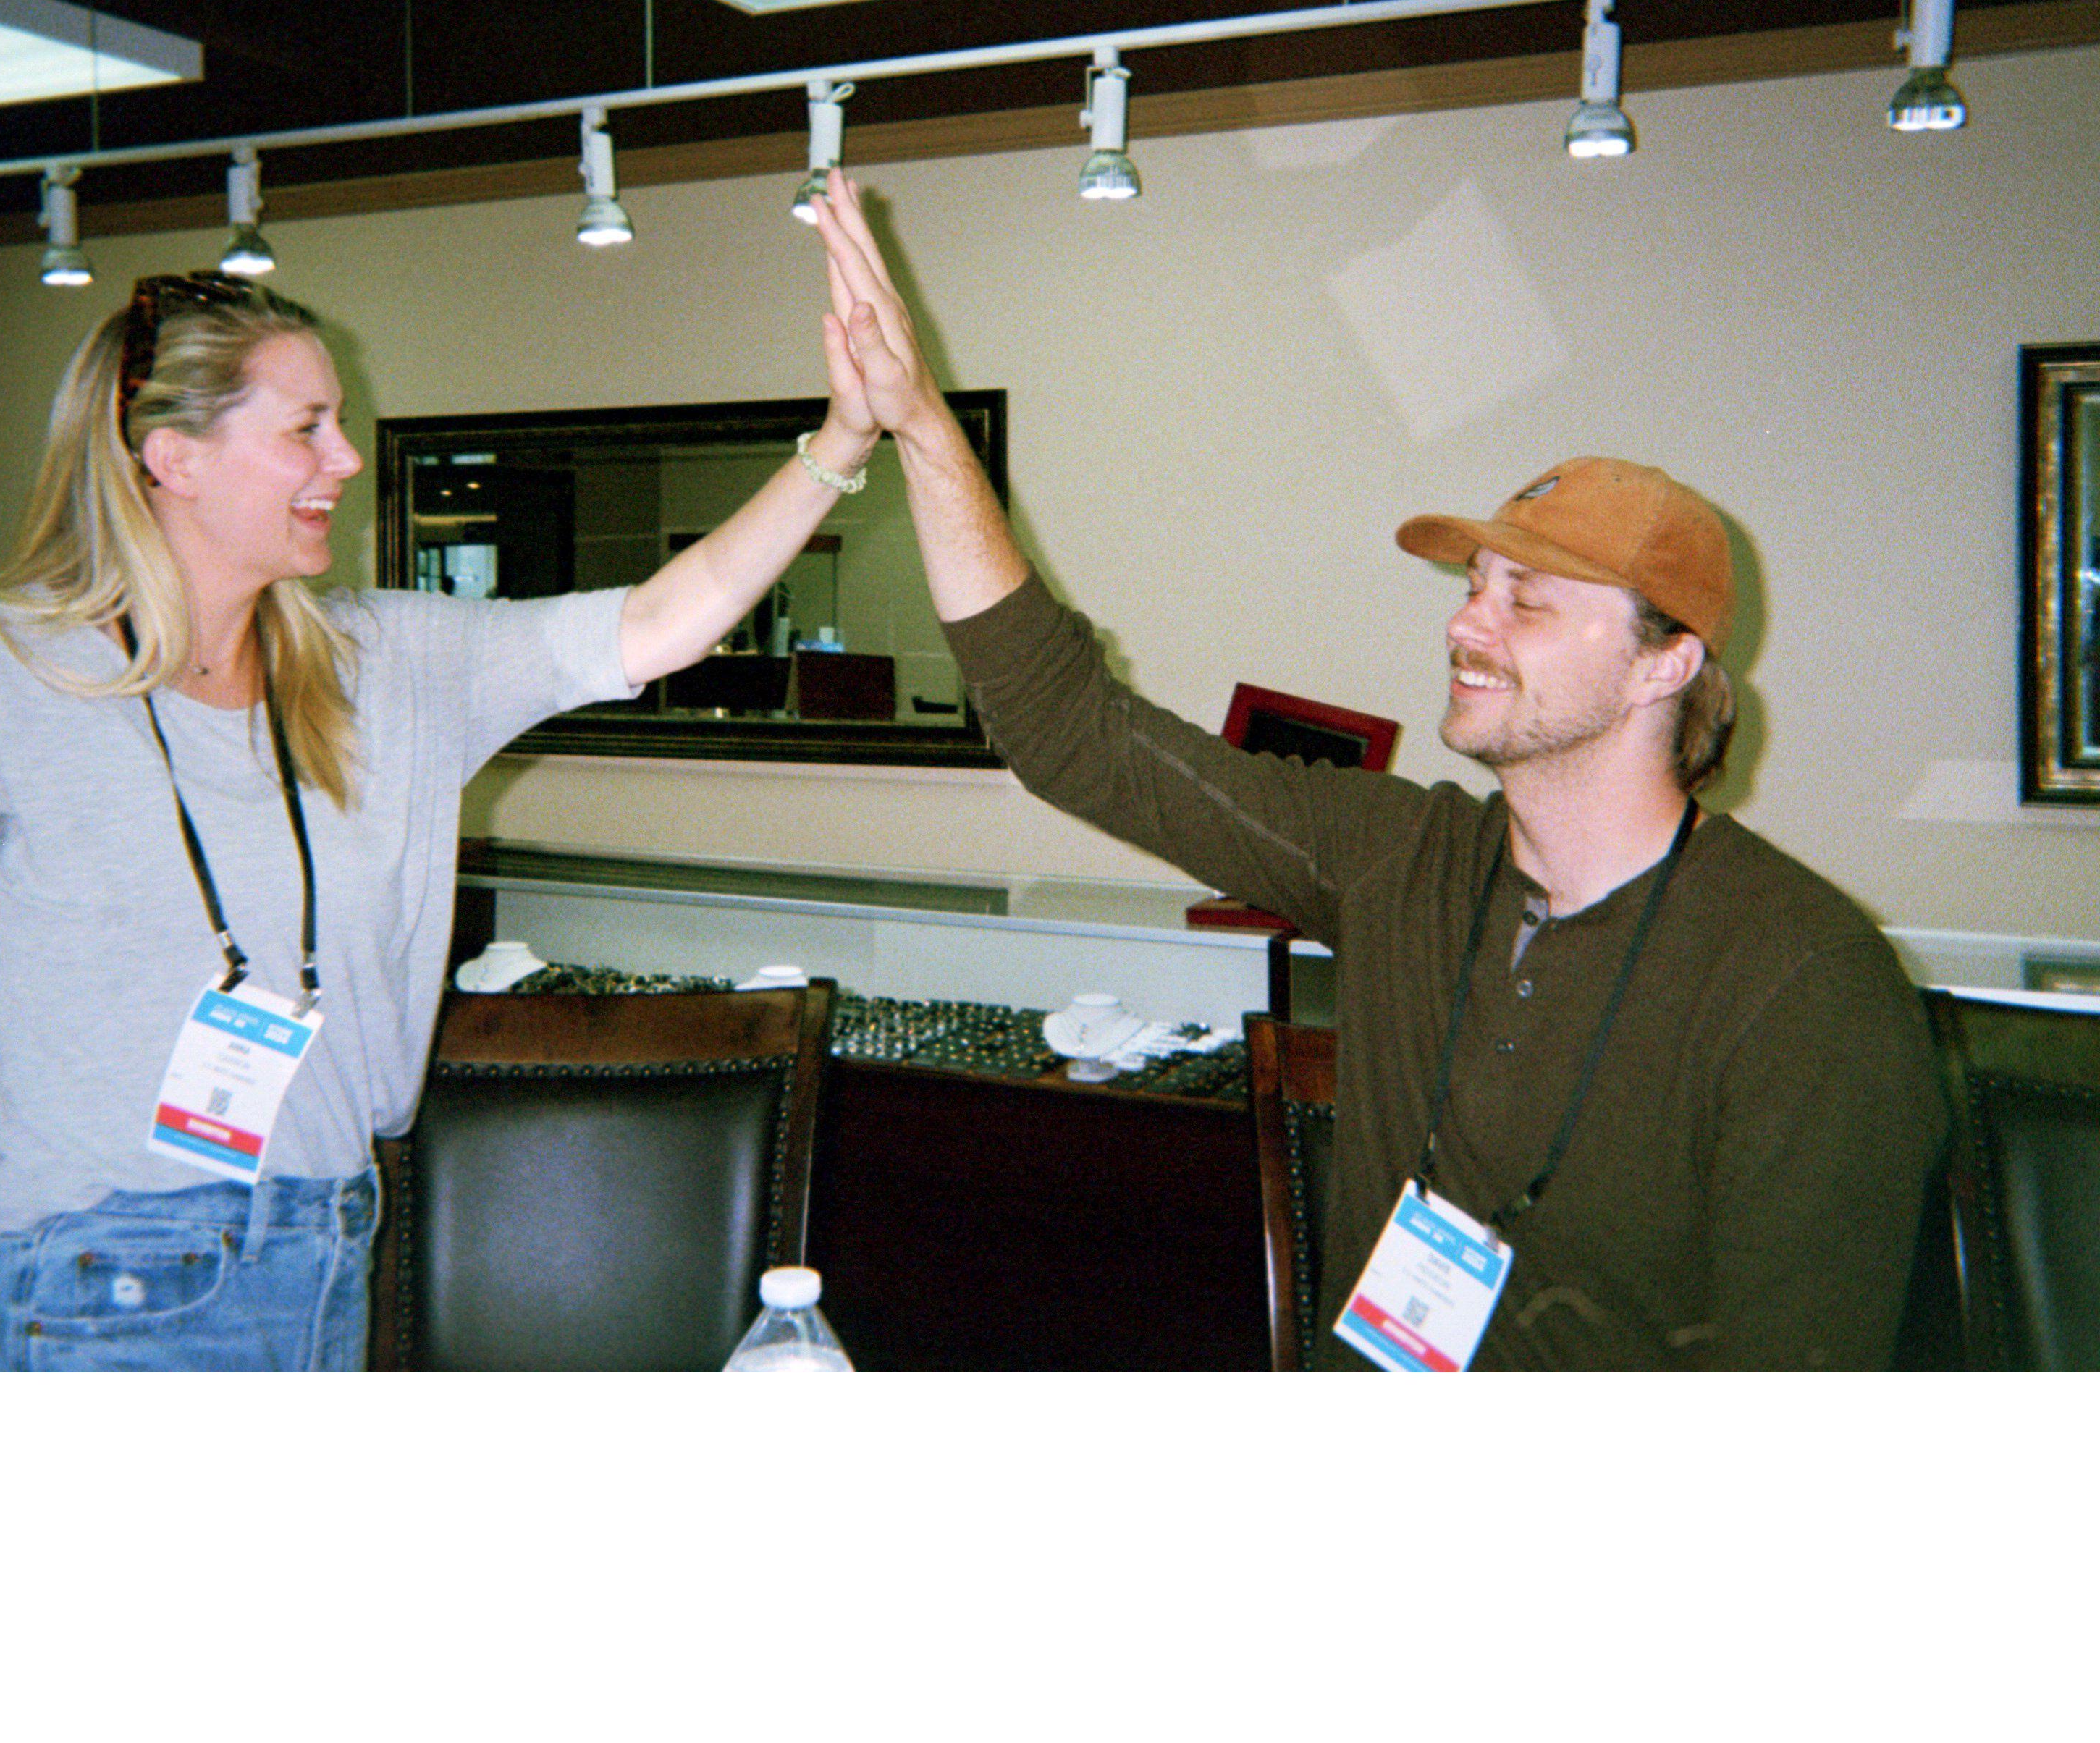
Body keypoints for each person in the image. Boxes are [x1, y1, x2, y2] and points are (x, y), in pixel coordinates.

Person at [807, 167, 1947, 1372]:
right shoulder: (1406, 861)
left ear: (1666, 666)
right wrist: (925, 431)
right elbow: (1073, 733)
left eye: (1530, 601)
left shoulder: (1807, 984)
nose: (1467, 626)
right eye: (1472, 589)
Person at [0, 268, 880, 1370]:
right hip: (90, 1281)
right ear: (175, 459)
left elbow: (661, 619)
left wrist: (841, 437)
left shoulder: (385, 662)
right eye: (308, 428)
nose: (346, 461)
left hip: (326, 1250)